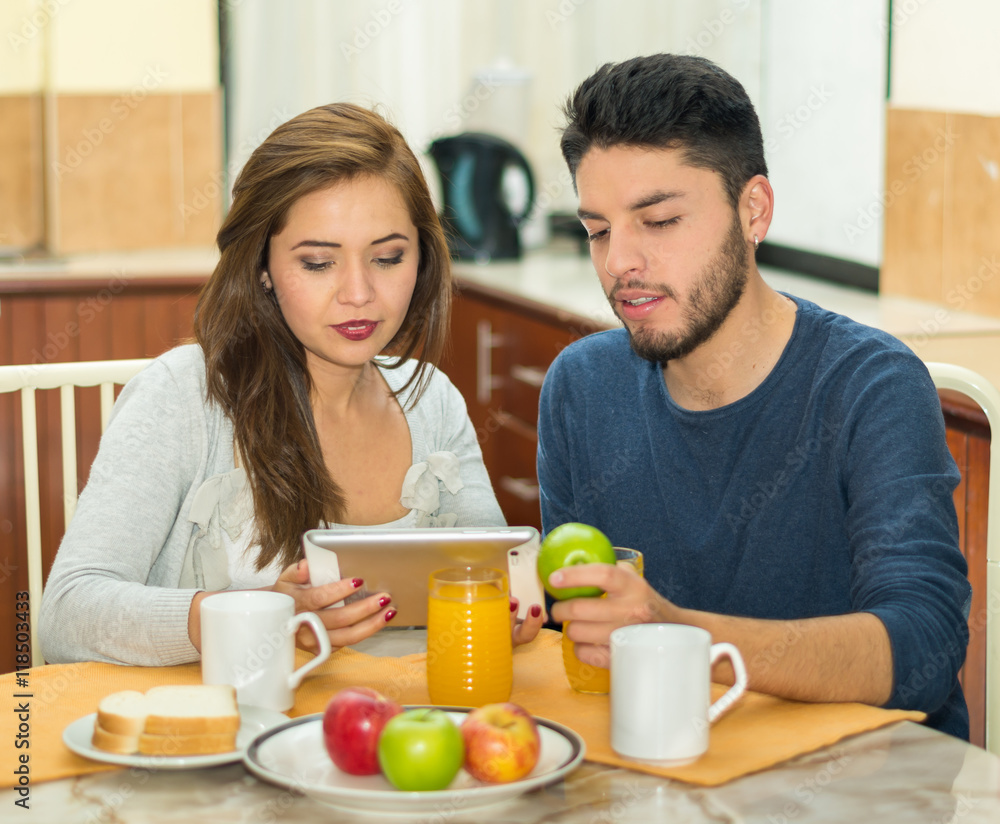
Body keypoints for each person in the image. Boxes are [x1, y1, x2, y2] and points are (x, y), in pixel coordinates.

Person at [537, 54, 972, 738]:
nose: (619, 261)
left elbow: (923, 650)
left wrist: (679, 634)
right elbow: (581, 631)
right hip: (664, 769)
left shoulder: (871, 387)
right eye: (597, 230)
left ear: (754, 210)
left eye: (659, 221)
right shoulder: (581, 387)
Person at [39, 103, 544, 666]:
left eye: (387, 257)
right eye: (318, 263)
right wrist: (258, 616)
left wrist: (511, 612)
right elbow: (67, 615)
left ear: (421, 260)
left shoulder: (432, 400)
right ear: (263, 267)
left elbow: (499, 580)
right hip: (225, 735)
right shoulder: (183, 396)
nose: (359, 292)